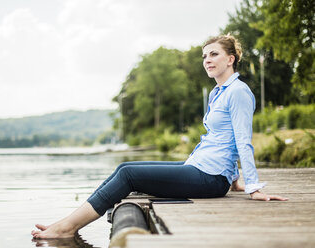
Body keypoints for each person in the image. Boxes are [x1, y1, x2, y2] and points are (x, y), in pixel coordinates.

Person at [31, 34, 288, 239]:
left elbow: (242, 140)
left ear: (230, 59)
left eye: (214, 54)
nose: (207, 60)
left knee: (128, 176)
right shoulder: (217, 93)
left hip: (210, 178)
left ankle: (67, 228)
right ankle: (66, 223)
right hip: (202, 168)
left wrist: (253, 187)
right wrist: (233, 180)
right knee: (124, 166)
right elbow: (221, 139)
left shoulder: (239, 92)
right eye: (204, 56)